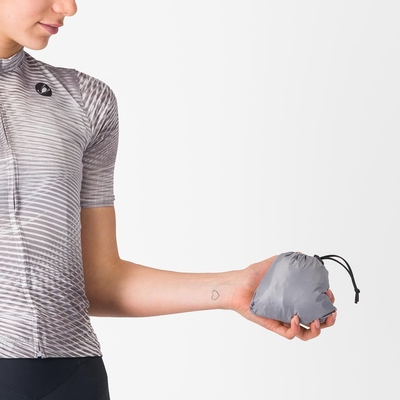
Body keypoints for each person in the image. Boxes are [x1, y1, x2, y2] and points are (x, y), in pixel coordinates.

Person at [0, 1, 337, 399]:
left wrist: (233, 288)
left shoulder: (84, 100)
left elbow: (98, 279)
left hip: (69, 378)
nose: (68, 7)